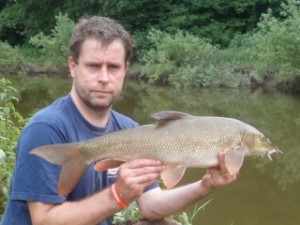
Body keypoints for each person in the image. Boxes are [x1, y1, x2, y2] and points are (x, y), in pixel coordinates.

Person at [0, 16, 238, 225]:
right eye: (93, 66)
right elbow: (44, 221)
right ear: (73, 67)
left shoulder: (129, 130)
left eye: (113, 67)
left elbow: (151, 204)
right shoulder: (46, 128)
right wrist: (117, 195)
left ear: (125, 70)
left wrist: (206, 185)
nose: (104, 78)